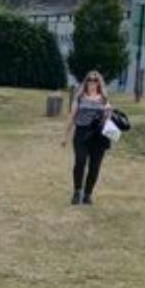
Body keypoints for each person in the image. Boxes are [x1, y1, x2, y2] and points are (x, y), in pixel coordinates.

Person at [62, 70, 113, 205]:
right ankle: (77, 191)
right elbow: (71, 116)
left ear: (99, 83)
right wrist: (65, 136)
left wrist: (107, 113)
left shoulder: (104, 99)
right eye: (90, 80)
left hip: (98, 135)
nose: (92, 82)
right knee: (80, 161)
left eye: (95, 80)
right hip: (81, 133)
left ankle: (87, 194)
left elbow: (106, 121)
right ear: (86, 82)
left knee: (95, 166)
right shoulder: (79, 98)